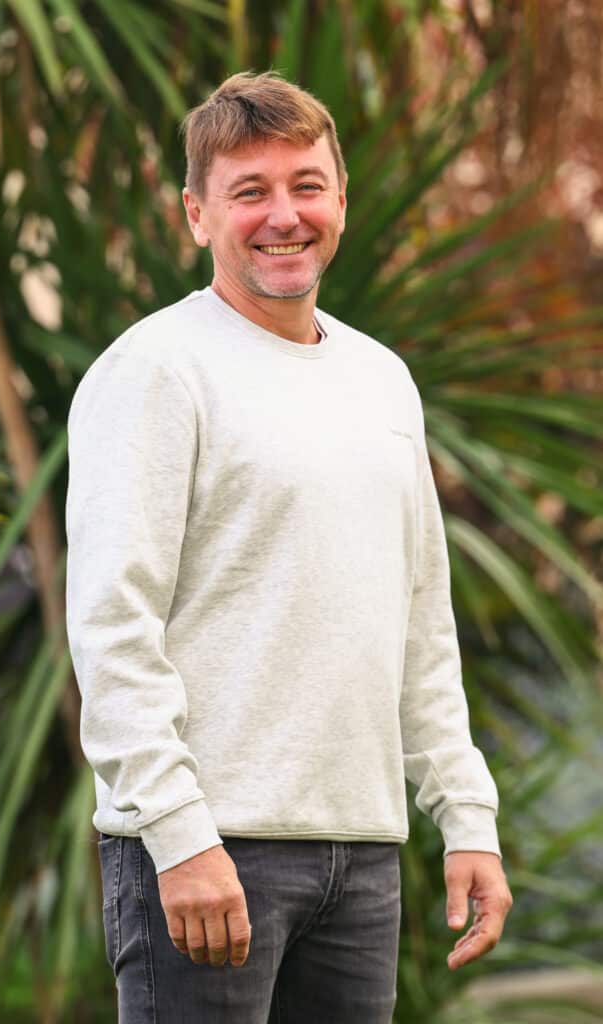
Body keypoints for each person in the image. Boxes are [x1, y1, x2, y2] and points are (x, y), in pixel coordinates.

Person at [65, 70, 512, 1023]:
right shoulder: (154, 371)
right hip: (207, 852)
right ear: (196, 214)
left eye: (306, 185)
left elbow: (419, 620)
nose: (284, 216)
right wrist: (178, 835)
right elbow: (111, 623)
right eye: (249, 191)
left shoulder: (382, 380)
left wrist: (466, 814)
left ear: (340, 198)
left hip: (362, 854)